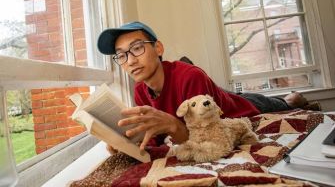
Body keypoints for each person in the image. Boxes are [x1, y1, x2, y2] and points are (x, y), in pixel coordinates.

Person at [97, 21, 310, 151]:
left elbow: (207, 137)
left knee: (280, 103)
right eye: (121, 55)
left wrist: (173, 125)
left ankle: (294, 96)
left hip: (238, 106)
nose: (130, 61)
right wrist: (128, 144)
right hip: (210, 96)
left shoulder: (190, 77)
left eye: (136, 48)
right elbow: (156, 139)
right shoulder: (140, 90)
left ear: (158, 48)